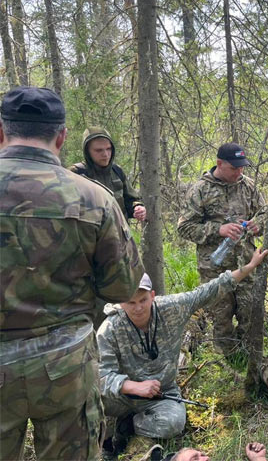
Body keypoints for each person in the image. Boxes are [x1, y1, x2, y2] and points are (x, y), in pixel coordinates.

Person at [0, 86, 144, 461]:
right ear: (62, 137)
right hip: (65, 366)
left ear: (1, 131)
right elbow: (124, 286)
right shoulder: (93, 198)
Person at [98, 248, 268, 457]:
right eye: (131, 303)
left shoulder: (171, 307)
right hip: (123, 395)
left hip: (162, 393)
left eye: (143, 300)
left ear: (152, 296)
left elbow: (211, 289)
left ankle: (127, 428)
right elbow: (101, 376)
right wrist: (133, 386)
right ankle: (105, 440)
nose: (138, 308)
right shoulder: (110, 328)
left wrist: (249, 267)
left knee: (174, 423)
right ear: (121, 302)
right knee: (88, 401)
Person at [177, 143, 267, 356]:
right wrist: (219, 230)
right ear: (219, 164)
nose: (239, 172)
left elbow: (265, 214)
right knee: (221, 316)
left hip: (246, 263)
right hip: (214, 268)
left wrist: (258, 224)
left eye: (242, 167)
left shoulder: (248, 186)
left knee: (251, 310)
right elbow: (184, 228)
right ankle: (228, 362)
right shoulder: (200, 190)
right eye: (234, 168)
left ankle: (250, 357)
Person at [70, 126, 146, 221]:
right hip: (89, 234)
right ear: (87, 151)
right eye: (99, 150)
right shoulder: (76, 174)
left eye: (108, 149)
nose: (105, 154)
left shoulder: (117, 171)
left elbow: (131, 200)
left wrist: (137, 208)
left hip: (119, 233)